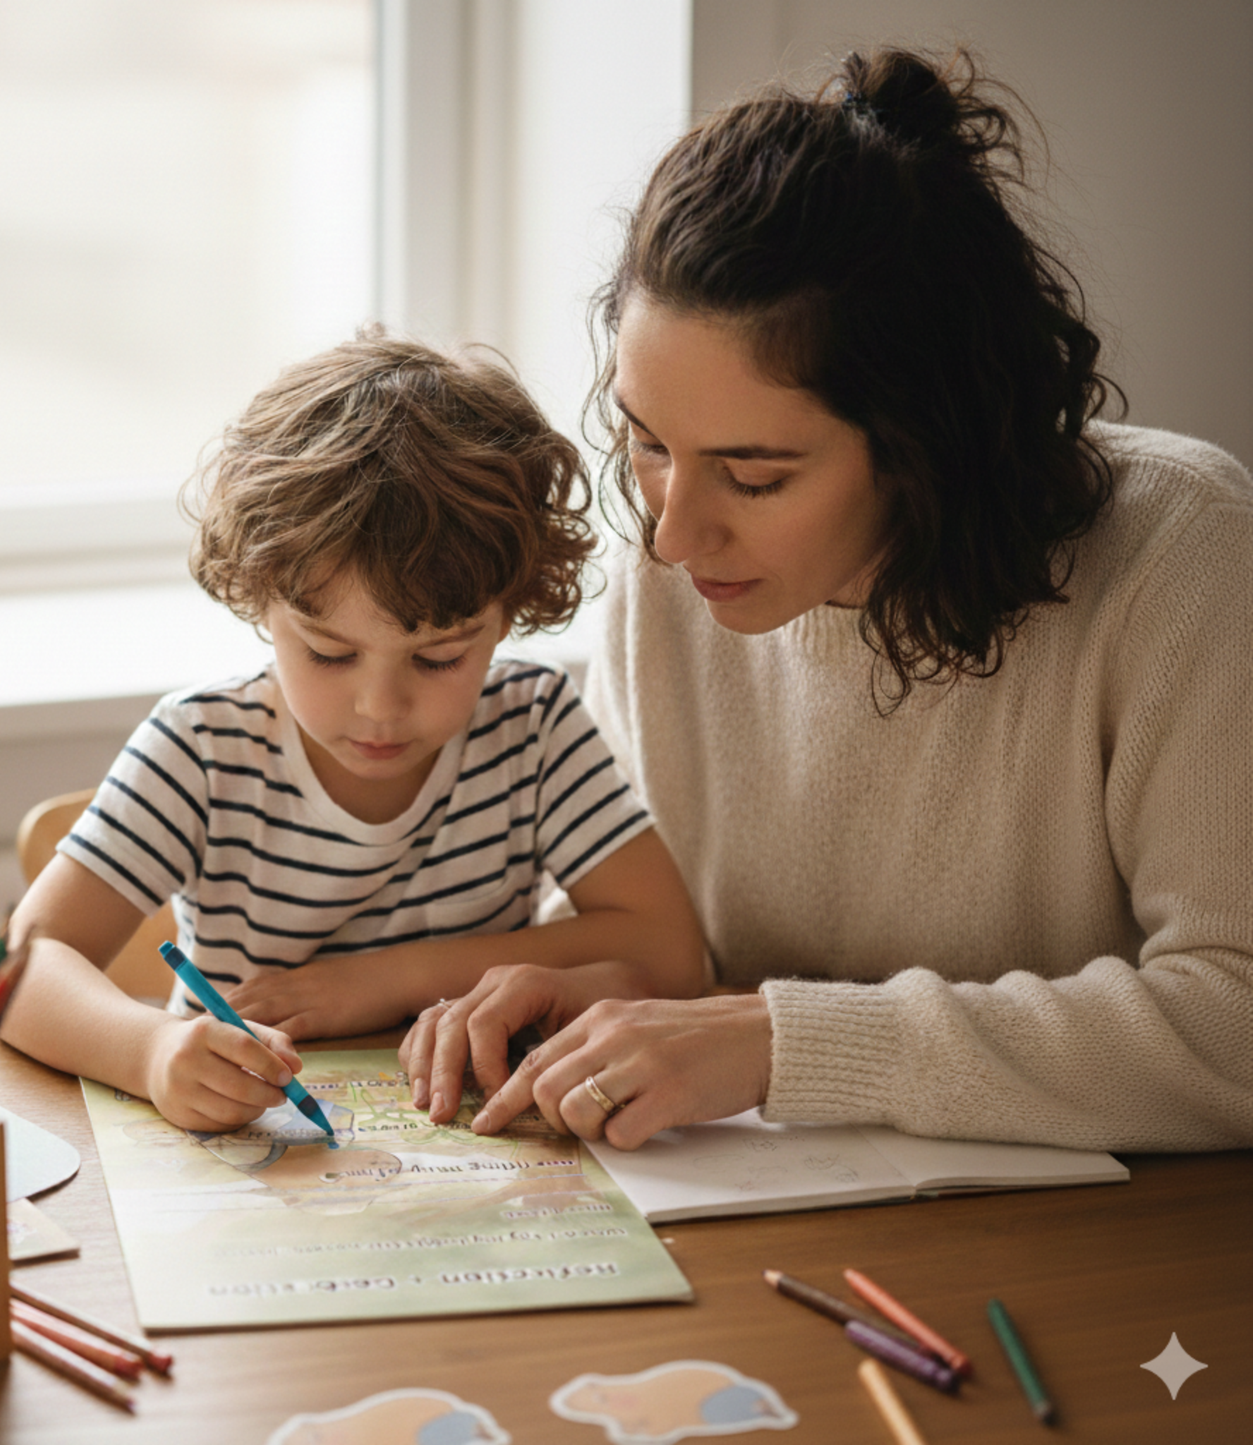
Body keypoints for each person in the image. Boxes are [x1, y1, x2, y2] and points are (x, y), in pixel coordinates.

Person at [401, 48, 1253, 1154]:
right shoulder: (668, 577)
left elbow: (1232, 1019)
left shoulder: (1178, 552)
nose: (671, 531)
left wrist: (780, 1041)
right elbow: (670, 951)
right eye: (647, 441)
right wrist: (575, 983)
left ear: (922, 441)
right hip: (773, 1225)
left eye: (754, 476)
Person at [1, 333, 705, 1132]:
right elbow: (20, 968)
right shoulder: (201, 749)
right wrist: (153, 1051)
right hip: (254, 1157)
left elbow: (673, 955)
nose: (380, 706)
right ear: (258, 600)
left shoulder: (532, 727)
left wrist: (380, 980)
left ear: (510, 612)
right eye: (329, 652)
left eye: (439, 657)